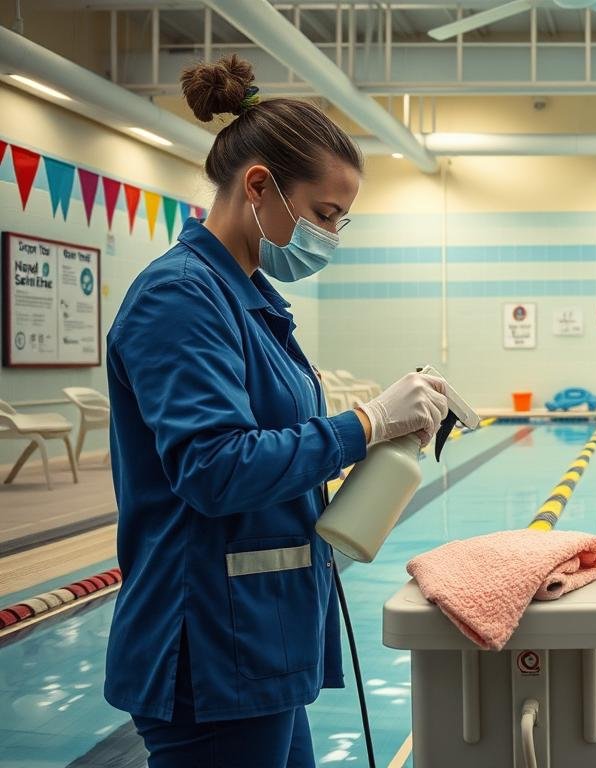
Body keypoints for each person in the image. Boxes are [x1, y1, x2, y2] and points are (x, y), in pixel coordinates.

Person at [102, 54, 449, 767]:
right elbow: (215, 468)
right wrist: (365, 425)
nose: (329, 236)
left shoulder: (249, 302)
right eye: (324, 214)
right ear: (259, 186)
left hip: (259, 639)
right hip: (209, 646)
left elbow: (275, 442)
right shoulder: (182, 298)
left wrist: (384, 435)